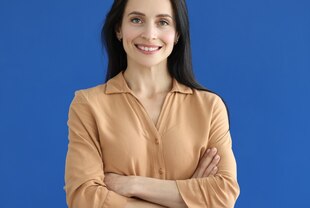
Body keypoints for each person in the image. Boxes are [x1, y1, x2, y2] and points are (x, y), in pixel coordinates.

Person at [64, 0, 240, 207]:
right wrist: (189, 199)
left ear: (177, 34)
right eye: (136, 20)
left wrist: (134, 185)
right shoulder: (88, 105)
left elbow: (223, 195)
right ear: (119, 29)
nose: (149, 34)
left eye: (163, 22)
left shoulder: (210, 107)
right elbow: (83, 199)